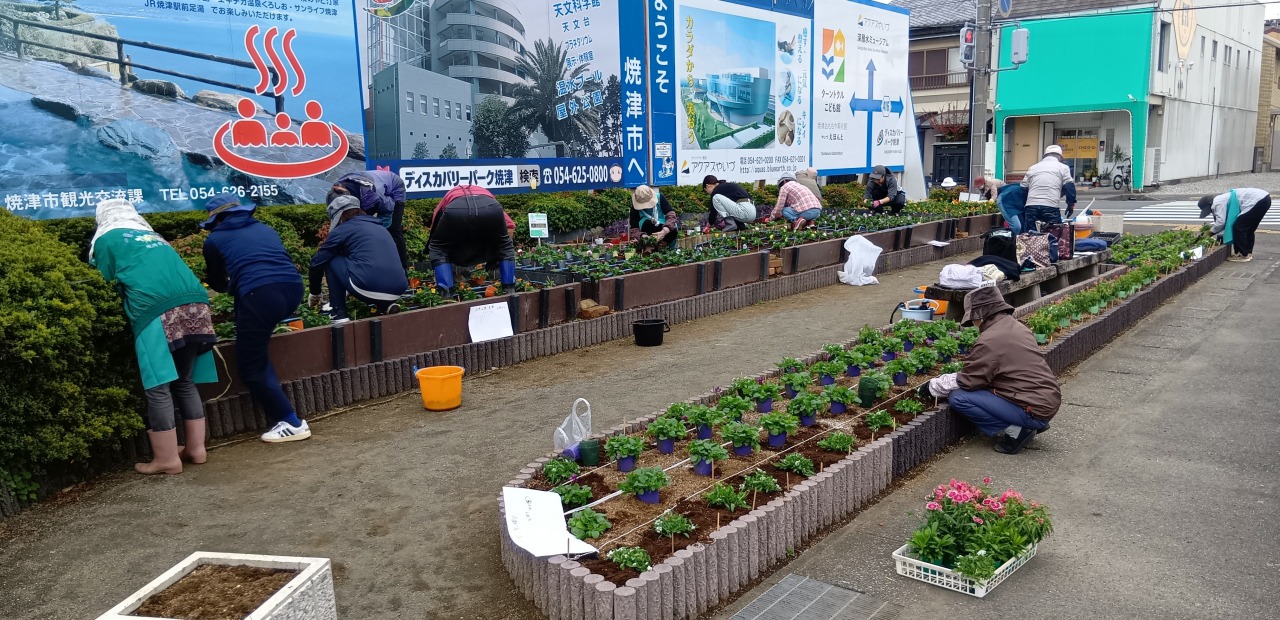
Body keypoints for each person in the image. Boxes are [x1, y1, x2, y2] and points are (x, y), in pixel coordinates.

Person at [90, 199, 219, 474]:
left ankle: (167, 459)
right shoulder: (153, 236)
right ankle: (196, 449)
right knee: (184, 381)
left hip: (155, 311)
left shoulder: (107, 240)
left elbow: (105, 281)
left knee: (159, 386)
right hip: (197, 302)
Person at [201, 194, 311, 443]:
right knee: (255, 340)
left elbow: (218, 281)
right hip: (293, 289)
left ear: (216, 220)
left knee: (251, 366)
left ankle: (291, 422)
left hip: (260, 295)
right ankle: (287, 418)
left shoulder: (214, 240)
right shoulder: (265, 228)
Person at [918, 286, 1060, 454]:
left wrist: (933, 386)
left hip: (1033, 408)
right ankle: (1029, 423)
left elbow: (969, 380)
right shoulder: (1015, 326)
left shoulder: (990, 340)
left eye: (973, 318)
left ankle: (1017, 431)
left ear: (981, 314)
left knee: (959, 397)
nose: (974, 324)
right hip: (1046, 400)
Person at [309, 196, 409, 321]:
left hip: (367, 287)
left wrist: (315, 292)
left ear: (341, 216)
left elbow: (317, 262)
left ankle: (338, 314)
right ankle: (386, 305)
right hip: (399, 289)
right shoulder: (380, 227)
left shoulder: (342, 230)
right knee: (369, 264)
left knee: (331, 259)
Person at [428, 185, 517, 291]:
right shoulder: (488, 198)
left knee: (438, 249)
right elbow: (510, 227)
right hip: (491, 208)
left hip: (456, 210)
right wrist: (500, 255)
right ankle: (510, 290)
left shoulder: (447, 199)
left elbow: (435, 234)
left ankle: (446, 294)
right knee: (505, 245)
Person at [328, 169, 409, 273]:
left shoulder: (369, 197)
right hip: (373, 184)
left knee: (392, 230)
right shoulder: (335, 192)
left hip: (393, 189)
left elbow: (388, 207)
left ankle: (402, 270)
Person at [1199, 188, 1272, 262]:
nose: (1211, 212)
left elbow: (1221, 222)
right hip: (1264, 199)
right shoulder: (1222, 198)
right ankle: (1248, 253)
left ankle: (1243, 255)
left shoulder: (1217, 202)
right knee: (1248, 229)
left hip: (1257, 201)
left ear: (1209, 204)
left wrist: (1210, 232)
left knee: (1238, 227)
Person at [1020, 145, 1077, 233]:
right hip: (1050, 206)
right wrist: (1070, 204)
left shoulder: (1033, 168)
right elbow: (1069, 187)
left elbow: (1023, 188)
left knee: (1030, 236)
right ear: (1060, 157)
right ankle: (1051, 246)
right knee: (1054, 235)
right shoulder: (1063, 167)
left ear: (1045, 156)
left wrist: (1026, 204)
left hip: (1031, 206)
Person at [629, 185, 679, 251]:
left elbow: (671, 216)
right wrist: (643, 237)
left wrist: (664, 232)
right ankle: (649, 248)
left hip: (664, 228)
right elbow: (634, 228)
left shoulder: (660, 198)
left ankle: (664, 246)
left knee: (673, 227)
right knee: (646, 223)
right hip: (647, 231)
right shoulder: (635, 208)